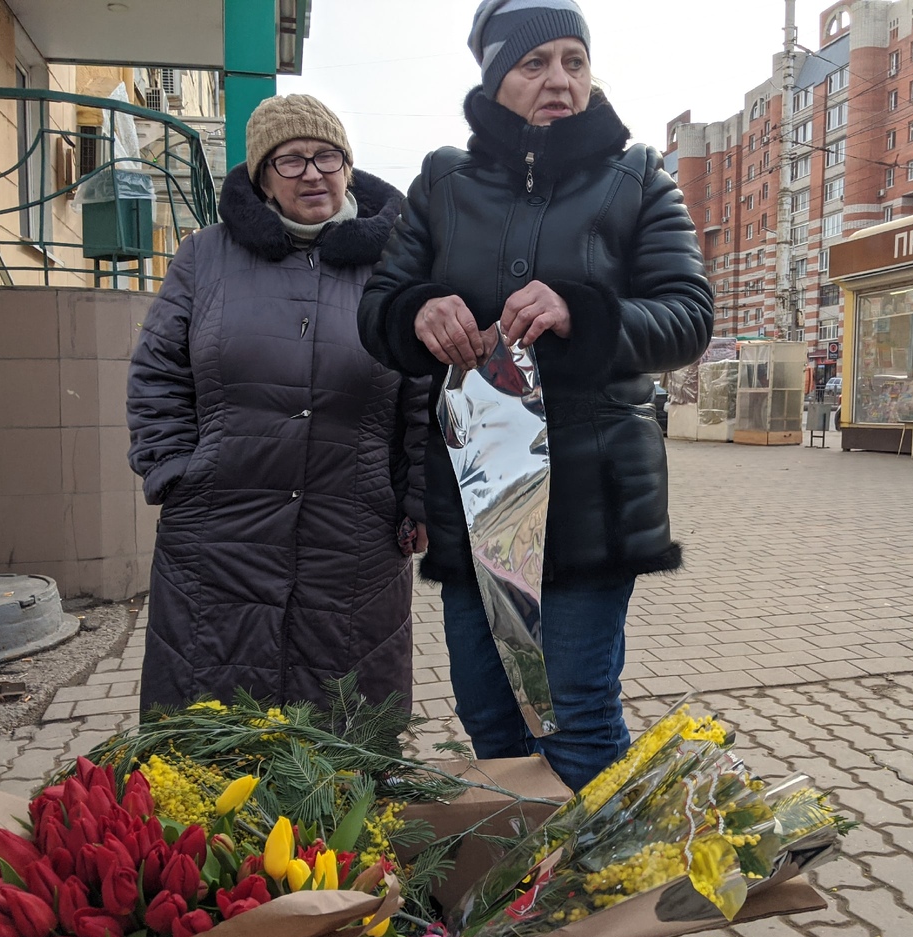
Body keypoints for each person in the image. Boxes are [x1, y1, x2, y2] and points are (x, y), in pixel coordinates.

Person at [358, 0, 712, 791]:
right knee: (489, 714)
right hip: (479, 495)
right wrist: (417, 308)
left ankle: (588, 899)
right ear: (496, 75)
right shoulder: (443, 183)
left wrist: (582, 310)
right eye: (535, 63)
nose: (560, 80)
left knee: (578, 717)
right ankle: (517, 887)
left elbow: (688, 316)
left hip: (590, 496)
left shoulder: (638, 177)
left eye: (574, 61)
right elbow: (377, 306)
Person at [127, 94, 429, 714]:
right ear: (263, 177)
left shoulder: (400, 262)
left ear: (348, 165)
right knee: (211, 728)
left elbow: (426, 393)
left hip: (356, 533)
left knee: (346, 735)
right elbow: (158, 368)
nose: (313, 173)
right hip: (217, 531)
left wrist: (418, 498)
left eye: (327, 156)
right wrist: (173, 470)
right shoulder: (205, 256)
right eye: (290, 161)